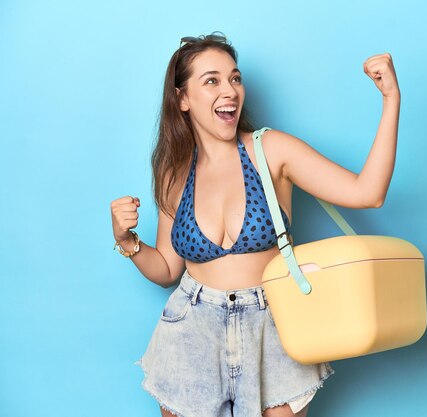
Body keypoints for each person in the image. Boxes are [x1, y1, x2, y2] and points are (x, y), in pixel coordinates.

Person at [110, 31, 400, 417]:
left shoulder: (271, 150)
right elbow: (166, 269)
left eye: (234, 78)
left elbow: (368, 193)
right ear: (182, 98)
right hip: (193, 329)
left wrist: (391, 100)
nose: (229, 90)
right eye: (211, 80)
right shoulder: (173, 172)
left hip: (273, 326)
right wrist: (126, 240)